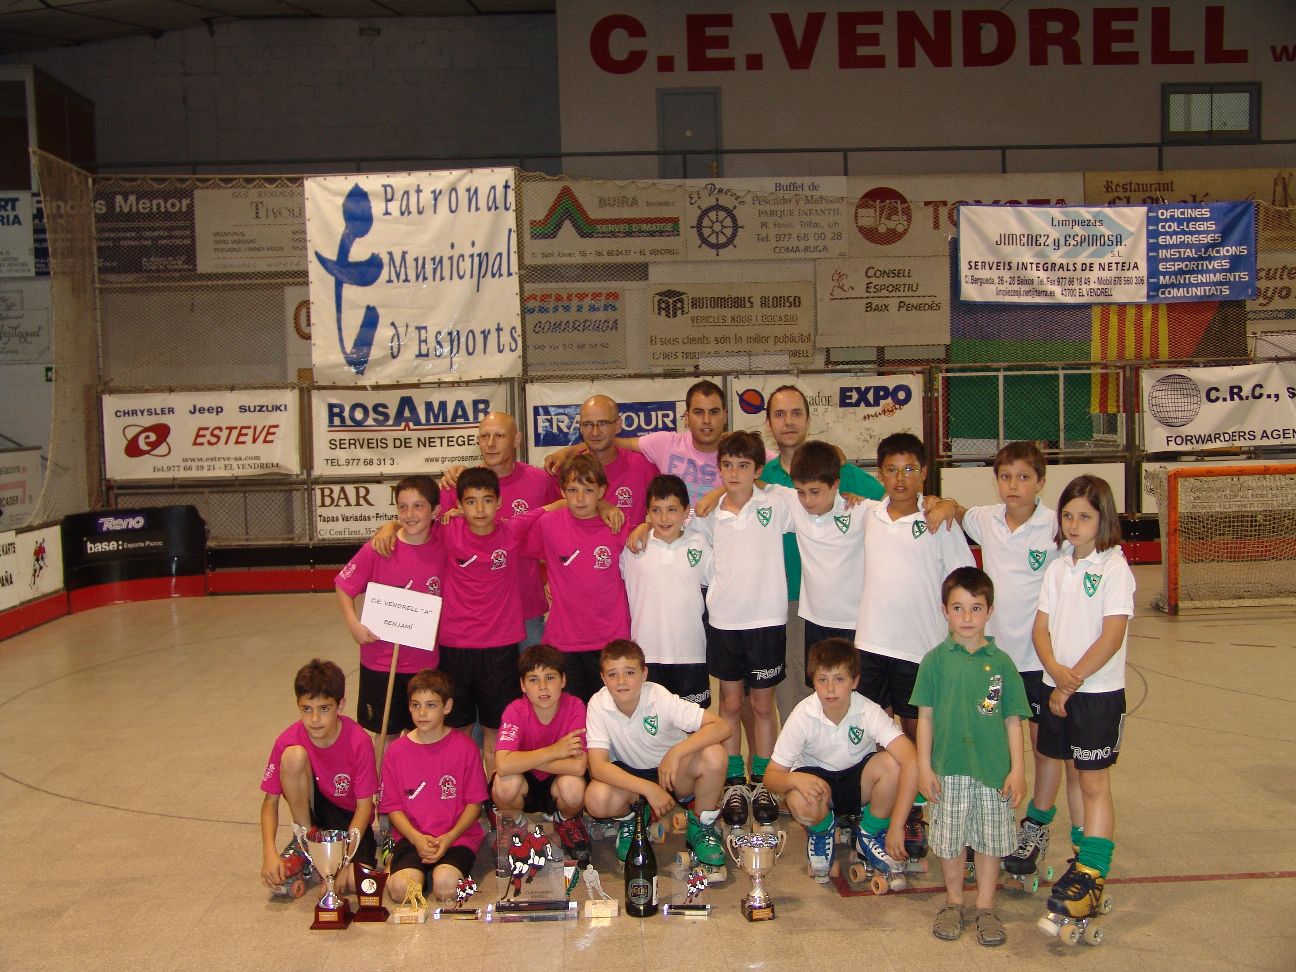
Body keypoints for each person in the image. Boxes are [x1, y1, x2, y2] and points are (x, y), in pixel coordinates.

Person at [854, 431, 975, 855]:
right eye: (891, 470)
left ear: (924, 473)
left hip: (918, 649)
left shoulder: (939, 521)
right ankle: (877, 806)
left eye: (909, 469)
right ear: (880, 474)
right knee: (873, 729)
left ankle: (919, 811)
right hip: (872, 642)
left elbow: (963, 582)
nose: (900, 478)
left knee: (916, 731)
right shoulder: (868, 514)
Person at [951, 441, 1063, 876]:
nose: (1013, 485)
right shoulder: (987, 519)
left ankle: (1036, 824)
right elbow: (957, 511)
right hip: (994, 661)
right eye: (1005, 476)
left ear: (1040, 482)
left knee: (1042, 745)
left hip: (1039, 660)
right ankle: (987, 821)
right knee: (990, 741)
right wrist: (944, 505)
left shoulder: (1056, 527)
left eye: (1023, 477)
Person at [1032, 475, 1134, 926]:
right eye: (1068, 516)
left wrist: (1069, 683)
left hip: (1096, 695)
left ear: (1103, 519)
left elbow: (1111, 637)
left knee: (1094, 783)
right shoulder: (1058, 567)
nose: (1073, 525)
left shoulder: (1115, 569)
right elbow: (1040, 628)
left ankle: (1092, 875)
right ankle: (1080, 856)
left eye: (1084, 517)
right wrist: (1054, 671)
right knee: (1073, 774)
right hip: (1057, 688)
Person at [912, 567, 1030, 946]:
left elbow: (1013, 720)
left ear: (989, 611)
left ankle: (985, 907)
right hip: (949, 770)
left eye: (976, 608)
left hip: (992, 772)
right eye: (958, 608)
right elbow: (925, 719)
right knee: (951, 841)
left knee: (990, 842)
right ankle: (953, 902)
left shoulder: (1002, 664)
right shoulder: (934, 661)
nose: (967, 617)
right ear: (944, 611)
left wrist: (1017, 770)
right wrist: (924, 766)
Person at [374, 412, 558, 648]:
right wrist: (392, 526)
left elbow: (563, 526)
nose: (491, 443)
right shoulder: (459, 485)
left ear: (516, 439)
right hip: (475, 614)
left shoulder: (540, 481)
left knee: (535, 669)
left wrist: (557, 578)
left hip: (526, 607)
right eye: (485, 436)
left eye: (500, 436)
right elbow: (422, 523)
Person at [759, 385, 883, 718]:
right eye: (779, 414)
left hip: (845, 606)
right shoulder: (765, 476)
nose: (788, 421)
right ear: (768, 423)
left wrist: (941, 504)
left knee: (852, 689)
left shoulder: (842, 471)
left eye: (796, 413)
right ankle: (802, 745)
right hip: (786, 599)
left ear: (808, 419)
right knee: (798, 688)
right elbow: (737, 487)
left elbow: (893, 505)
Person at [690, 429, 796, 814]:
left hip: (767, 620)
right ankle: (734, 783)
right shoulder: (707, 514)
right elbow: (675, 533)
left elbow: (816, 499)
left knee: (763, 705)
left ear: (758, 470)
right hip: (724, 621)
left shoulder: (777, 501)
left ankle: (763, 781)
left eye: (743, 466)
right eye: (727, 466)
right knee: (731, 703)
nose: (734, 473)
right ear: (718, 469)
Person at [763, 637, 918, 885]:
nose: (830, 689)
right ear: (813, 681)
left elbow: (910, 759)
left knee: (893, 764)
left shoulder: (869, 711)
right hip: (819, 788)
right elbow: (771, 777)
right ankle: (821, 831)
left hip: (859, 786)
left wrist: (897, 825)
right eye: (822, 679)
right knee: (797, 796)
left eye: (839, 679)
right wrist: (794, 779)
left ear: (854, 681)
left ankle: (870, 833)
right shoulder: (802, 715)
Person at [584, 639, 731, 871]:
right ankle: (633, 818)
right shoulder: (598, 704)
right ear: (603, 678)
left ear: (644, 674)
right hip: (632, 779)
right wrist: (648, 789)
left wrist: (676, 753)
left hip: (671, 774)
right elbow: (598, 766)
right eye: (612, 674)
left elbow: (722, 727)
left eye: (629, 672)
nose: (621, 681)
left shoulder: (659, 697)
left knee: (716, 755)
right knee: (596, 799)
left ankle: (701, 827)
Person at [335, 475, 443, 754]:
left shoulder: (443, 547)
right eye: (402, 507)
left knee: (422, 730)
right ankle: (381, 781)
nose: (409, 514)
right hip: (381, 661)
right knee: (386, 732)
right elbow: (344, 585)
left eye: (418, 506)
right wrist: (353, 624)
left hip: (424, 662)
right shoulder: (379, 548)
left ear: (435, 511)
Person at [435, 466, 529, 778]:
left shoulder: (513, 531)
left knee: (496, 729)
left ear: (499, 503)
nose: (480, 509)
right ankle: (464, 794)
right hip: (455, 646)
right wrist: (389, 528)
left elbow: (555, 507)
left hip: (500, 648)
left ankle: (495, 795)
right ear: (459, 505)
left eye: (487, 500)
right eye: (471, 502)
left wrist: (605, 507)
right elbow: (410, 524)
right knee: (458, 728)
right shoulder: (447, 530)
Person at [517, 453, 632, 702]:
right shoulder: (549, 524)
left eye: (588, 490)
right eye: (572, 490)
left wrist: (638, 523)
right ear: (562, 491)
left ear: (602, 491)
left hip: (610, 639)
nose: (580, 498)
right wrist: (550, 506)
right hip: (565, 641)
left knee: (611, 713)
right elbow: (511, 534)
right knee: (573, 715)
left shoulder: (617, 524)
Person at [259, 659, 378, 895]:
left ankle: (319, 862)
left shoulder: (359, 741)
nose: (314, 719)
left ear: (340, 705)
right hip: (313, 810)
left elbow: (365, 807)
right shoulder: (287, 739)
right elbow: (269, 802)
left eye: (324, 709)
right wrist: (269, 853)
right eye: (307, 709)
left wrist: (344, 862)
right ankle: (306, 842)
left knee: (354, 882)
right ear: (298, 706)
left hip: (350, 820)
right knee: (293, 756)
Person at [380, 669, 488, 904]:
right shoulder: (396, 752)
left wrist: (449, 838)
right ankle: (401, 865)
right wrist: (417, 839)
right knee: (401, 891)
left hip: (455, 837)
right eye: (416, 705)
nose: (422, 713)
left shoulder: (465, 748)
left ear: (446, 706)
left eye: (431, 705)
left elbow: (475, 804)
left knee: (446, 887)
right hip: (412, 836)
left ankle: (443, 870)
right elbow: (393, 807)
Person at [546, 379, 730, 510]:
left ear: (725, 415)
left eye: (714, 412)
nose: (706, 420)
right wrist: (570, 451)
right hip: (678, 545)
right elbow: (608, 439)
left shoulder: (737, 454)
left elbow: (750, 486)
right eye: (698, 412)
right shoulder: (664, 444)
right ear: (686, 417)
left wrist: (719, 493)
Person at [619, 474, 713, 708]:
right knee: (652, 723)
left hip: (690, 653)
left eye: (672, 509)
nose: (663, 518)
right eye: (656, 510)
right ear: (647, 512)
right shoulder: (633, 547)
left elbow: (720, 586)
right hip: (646, 655)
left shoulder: (699, 544)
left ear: (686, 511)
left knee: (694, 723)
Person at [492, 644, 591, 863]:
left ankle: (565, 821)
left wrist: (523, 758)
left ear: (563, 680)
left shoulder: (575, 707)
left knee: (573, 787)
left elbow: (577, 766)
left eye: (550, 678)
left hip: (556, 782)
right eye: (533, 679)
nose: (543, 687)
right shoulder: (515, 710)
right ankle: (514, 823)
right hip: (526, 783)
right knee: (505, 783)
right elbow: (503, 765)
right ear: (523, 685)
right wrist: (555, 751)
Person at [568, 394, 658, 526]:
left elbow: (668, 511)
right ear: (580, 428)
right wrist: (600, 504)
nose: (595, 432)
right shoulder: (568, 470)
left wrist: (648, 527)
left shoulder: (642, 466)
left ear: (618, 425)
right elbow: (554, 511)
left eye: (603, 423)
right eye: (588, 424)